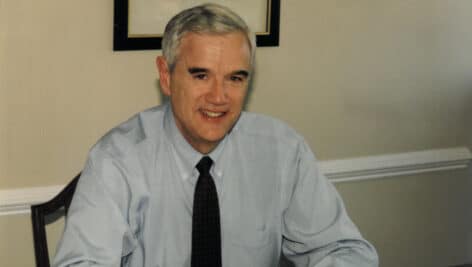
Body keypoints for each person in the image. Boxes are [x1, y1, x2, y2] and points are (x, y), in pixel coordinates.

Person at [54, 3, 378, 267]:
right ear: (166, 77)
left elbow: (348, 252)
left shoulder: (282, 152)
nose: (219, 97)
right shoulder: (118, 160)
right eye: (201, 75)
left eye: (235, 78)